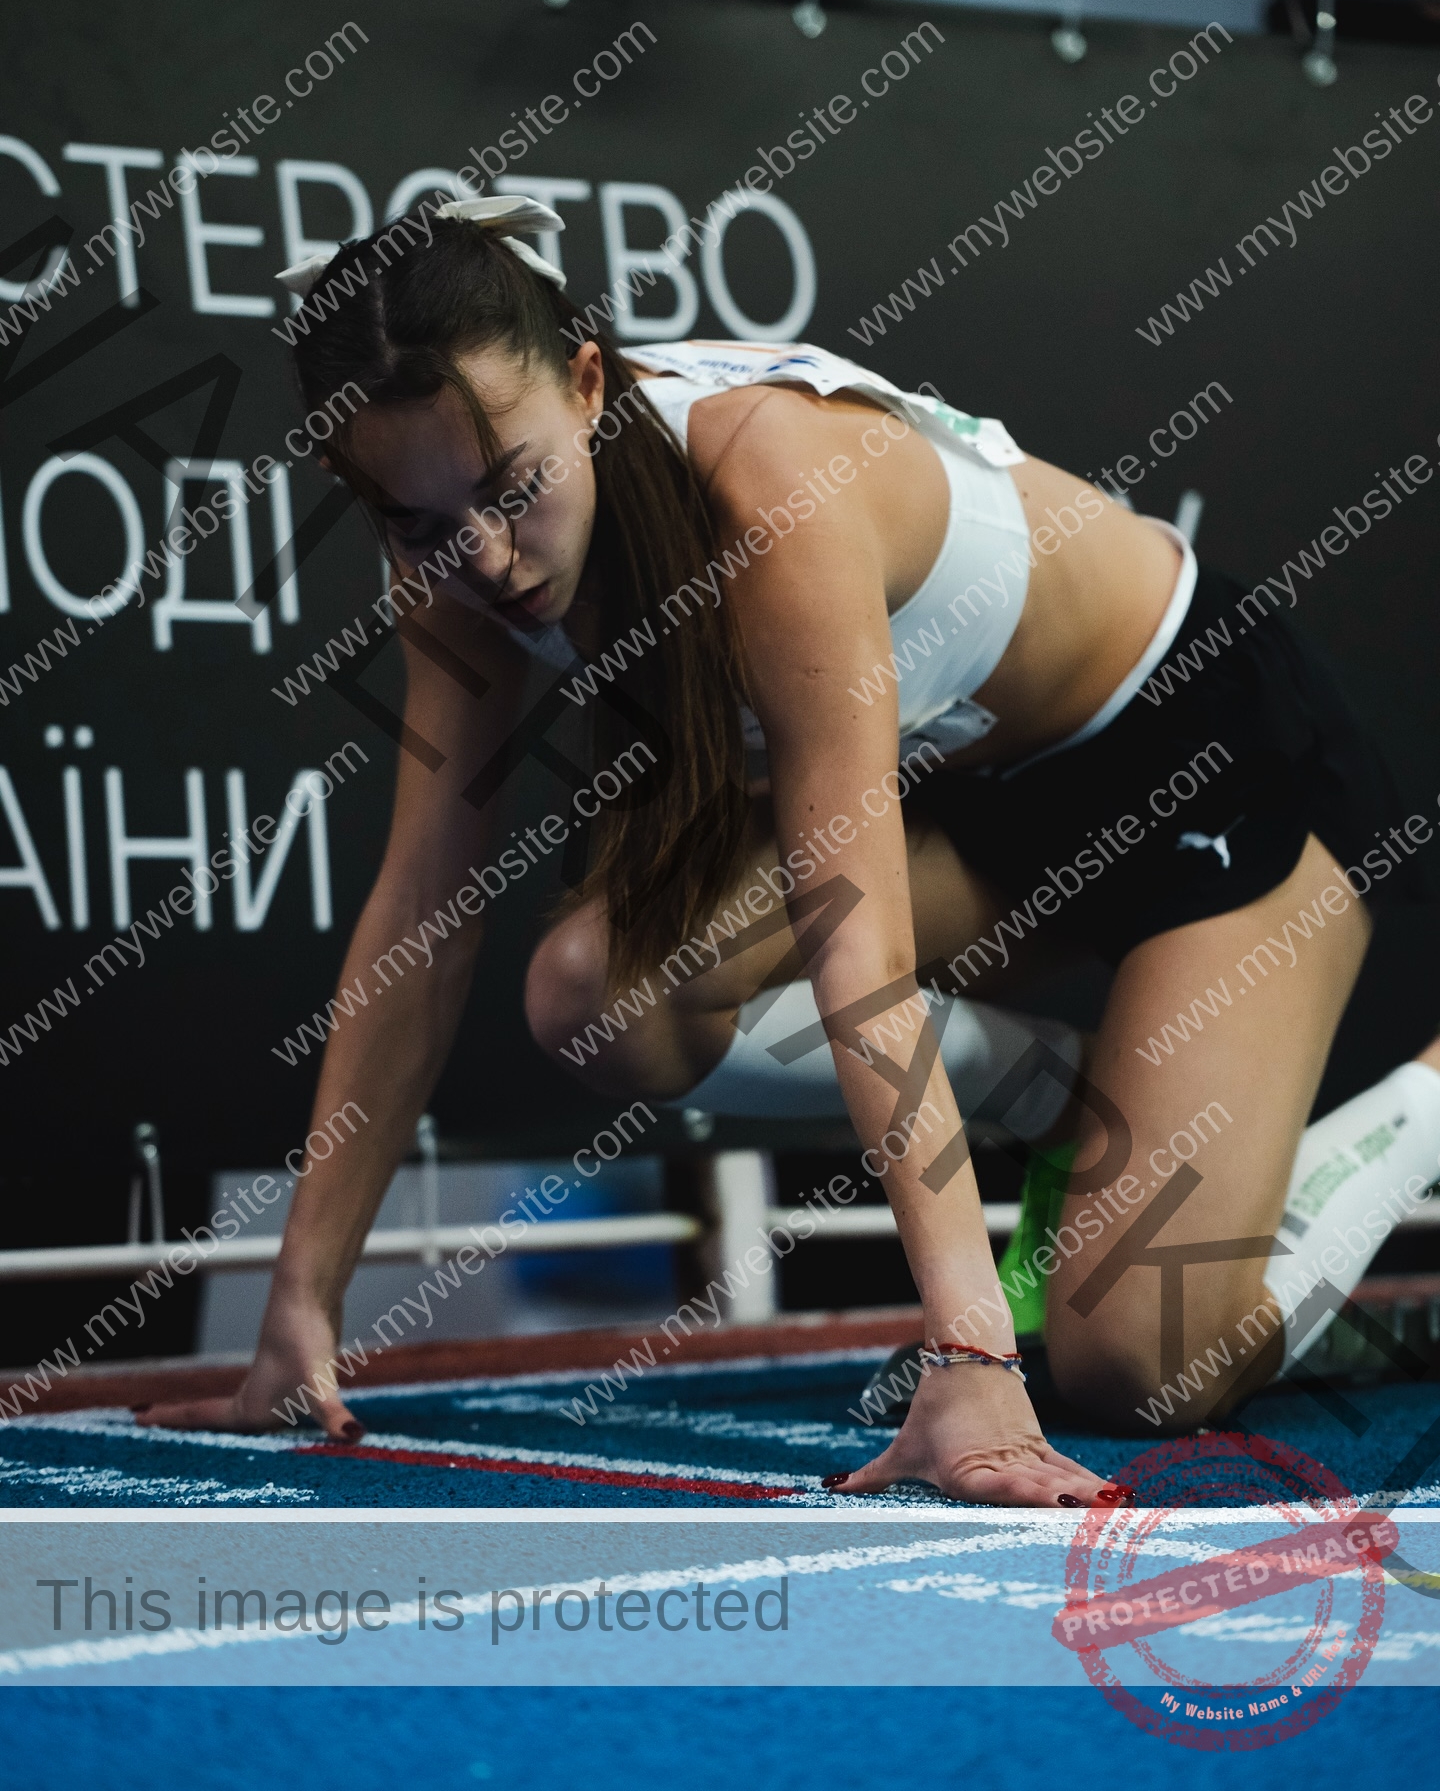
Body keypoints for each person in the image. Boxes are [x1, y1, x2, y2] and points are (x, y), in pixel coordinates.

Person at [141, 199, 1440, 1505]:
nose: (481, 555)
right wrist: (297, 1310)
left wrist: (972, 1350)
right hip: (983, 819)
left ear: (589, 379)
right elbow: (420, 918)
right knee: (597, 996)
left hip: (1206, 757)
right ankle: (1059, 1099)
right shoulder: (453, 568)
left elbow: (854, 940)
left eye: (511, 488)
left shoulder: (771, 486)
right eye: (420, 525)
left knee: (1136, 1370)